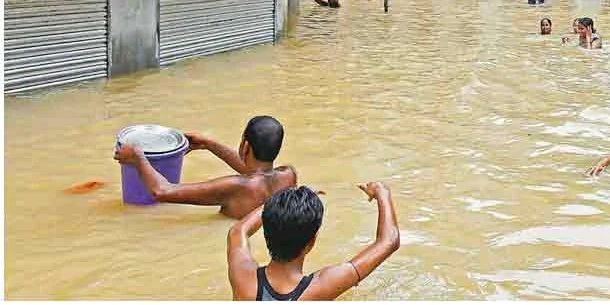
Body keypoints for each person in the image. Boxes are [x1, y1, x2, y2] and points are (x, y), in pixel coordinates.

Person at [225, 183, 400, 301]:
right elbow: (389, 241)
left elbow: (238, 231)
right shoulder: (319, 288)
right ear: (312, 241)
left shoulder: (243, 279)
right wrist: (382, 192)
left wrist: (283, 202)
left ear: (266, 232)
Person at [113, 116, 296, 220]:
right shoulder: (288, 176)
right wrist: (209, 144)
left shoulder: (235, 187)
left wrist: (138, 158)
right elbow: (256, 172)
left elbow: (162, 191)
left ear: (245, 146)